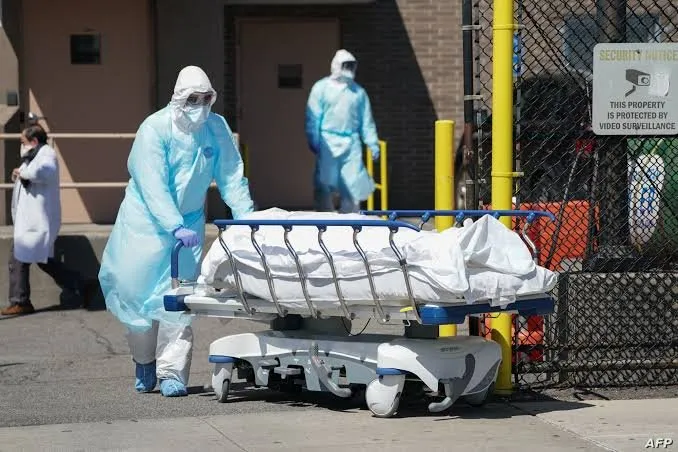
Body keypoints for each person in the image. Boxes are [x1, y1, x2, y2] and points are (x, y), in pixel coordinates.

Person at [98, 66, 255, 397]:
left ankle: (172, 373)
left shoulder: (216, 128)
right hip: (144, 224)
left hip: (189, 225)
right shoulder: (154, 129)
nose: (200, 105)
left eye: (206, 98)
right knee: (135, 296)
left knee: (179, 300)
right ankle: (144, 360)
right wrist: (173, 224)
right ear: (179, 98)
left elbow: (231, 175)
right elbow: (151, 182)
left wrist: (246, 217)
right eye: (193, 99)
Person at [1, 125, 86, 316]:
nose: (21, 146)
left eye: (23, 142)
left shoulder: (47, 155)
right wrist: (19, 173)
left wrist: (23, 173)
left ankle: (20, 301)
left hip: (37, 222)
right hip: (31, 222)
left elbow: (44, 172)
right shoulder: (33, 156)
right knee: (44, 261)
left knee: (18, 258)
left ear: (33, 141)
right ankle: (82, 284)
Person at [305, 49, 380, 213]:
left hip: (351, 143)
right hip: (327, 141)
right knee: (325, 181)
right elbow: (313, 117)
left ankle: (351, 219)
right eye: (346, 65)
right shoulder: (321, 88)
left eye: (351, 66)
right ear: (337, 65)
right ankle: (324, 217)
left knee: (353, 183)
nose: (348, 69)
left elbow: (366, 121)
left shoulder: (358, 92)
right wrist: (314, 140)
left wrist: (372, 143)